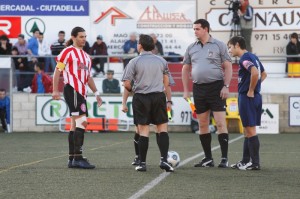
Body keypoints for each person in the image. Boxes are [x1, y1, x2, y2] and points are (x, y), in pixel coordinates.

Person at [182, 19, 232, 168]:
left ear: (206, 29)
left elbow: (228, 67)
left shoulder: (219, 45)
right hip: (199, 89)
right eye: (194, 29)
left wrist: (226, 86)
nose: (195, 31)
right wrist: (186, 90)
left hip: (216, 88)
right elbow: (185, 69)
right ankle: (208, 158)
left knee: (220, 123)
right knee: (202, 124)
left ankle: (224, 158)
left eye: (197, 29)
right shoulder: (191, 47)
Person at [52, 26, 102, 169]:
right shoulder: (67, 52)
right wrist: (55, 90)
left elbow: (88, 77)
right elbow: (58, 71)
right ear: (73, 37)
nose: (84, 39)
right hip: (72, 90)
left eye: (85, 36)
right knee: (83, 122)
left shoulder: (86, 57)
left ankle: (72, 158)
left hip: (81, 92)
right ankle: (78, 158)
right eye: (81, 36)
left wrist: (97, 93)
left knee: (75, 124)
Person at [122, 34, 173, 172]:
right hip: (158, 96)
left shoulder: (134, 61)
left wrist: (132, 90)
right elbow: (167, 82)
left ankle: (142, 163)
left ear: (140, 45)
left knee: (143, 130)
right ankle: (164, 160)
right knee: (162, 128)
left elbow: (126, 82)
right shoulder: (161, 61)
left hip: (141, 97)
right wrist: (168, 99)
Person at [227, 36, 267, 170]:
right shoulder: (253, 56)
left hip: (248, 97)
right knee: (246, 130)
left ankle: (255, 163)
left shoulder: (244, 59)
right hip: (254, 97)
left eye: (230, 47)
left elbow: (255, 73)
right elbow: (264, 74)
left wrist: (251, 90)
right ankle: (245, 161)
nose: (229, 50)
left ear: (237, 45)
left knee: (250, 130)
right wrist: (255, 88)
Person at [122, 74, 175, 166]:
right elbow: (127, 85)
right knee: (139, 130)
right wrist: (124, 103)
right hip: (141, 99)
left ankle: (163, 159)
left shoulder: (160, 65)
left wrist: (169, 100)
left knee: (159, 128)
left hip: (156, 99)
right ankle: (138, 157)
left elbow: (167, 83)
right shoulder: (136, 66)